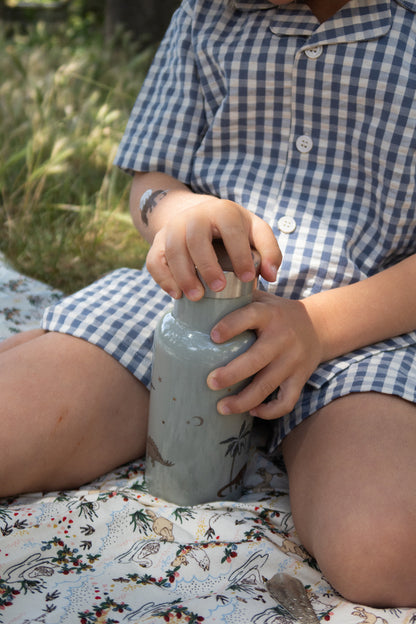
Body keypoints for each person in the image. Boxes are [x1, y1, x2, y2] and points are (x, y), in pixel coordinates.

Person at [1, 0, 415, 608]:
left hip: (365, 329)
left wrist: (318, 330)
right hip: (189, 302)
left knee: (388, 550)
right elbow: (152, 178)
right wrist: (180, 213)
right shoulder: (207, 15)